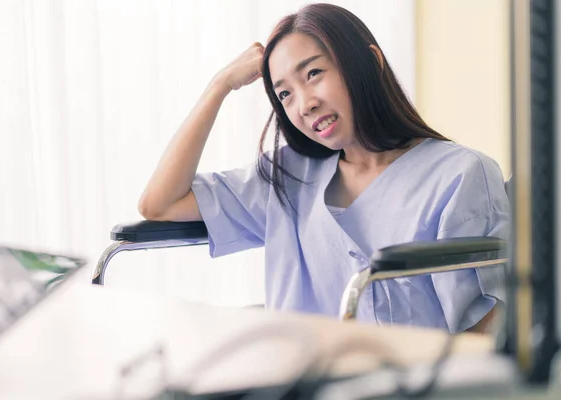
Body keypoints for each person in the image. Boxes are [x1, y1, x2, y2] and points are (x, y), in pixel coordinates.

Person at [138, 3, 510, 334]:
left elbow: (480, 338)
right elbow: (159, 203)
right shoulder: (285, 177)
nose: (304, 104)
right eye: (284, 94)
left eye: (313, 74)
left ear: (371, 63)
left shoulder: (461, 175)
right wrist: (219, 86)